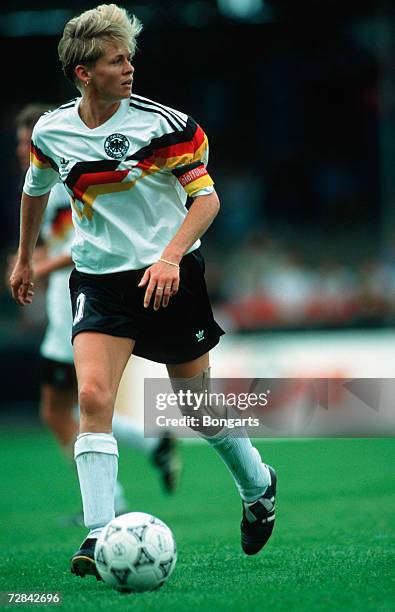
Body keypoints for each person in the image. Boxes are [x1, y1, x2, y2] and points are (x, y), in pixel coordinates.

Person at [10, 4, 277, 580]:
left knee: (197, 410)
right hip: (101, 284)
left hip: (170, 277)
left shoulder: (166, 125)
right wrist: (26, 255)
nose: (130, 69)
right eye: (117, 60)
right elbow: (34, 188)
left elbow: (207, 201)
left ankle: (258, 485)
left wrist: (170, 257)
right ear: (84, 72)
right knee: (93, 399)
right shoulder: (52, 131)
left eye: (130, 58)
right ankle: (100, 533)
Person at [12, 104, 180, 523]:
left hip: (83, 304)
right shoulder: (42, 180)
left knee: (71, 406)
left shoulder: (60, 179)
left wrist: (36, 263)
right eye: (18, 141)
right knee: (70, 407)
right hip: (64, 310)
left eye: (24, 139)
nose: (20, 148)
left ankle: (114, 498)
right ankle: (150, 448)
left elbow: (81, 243)